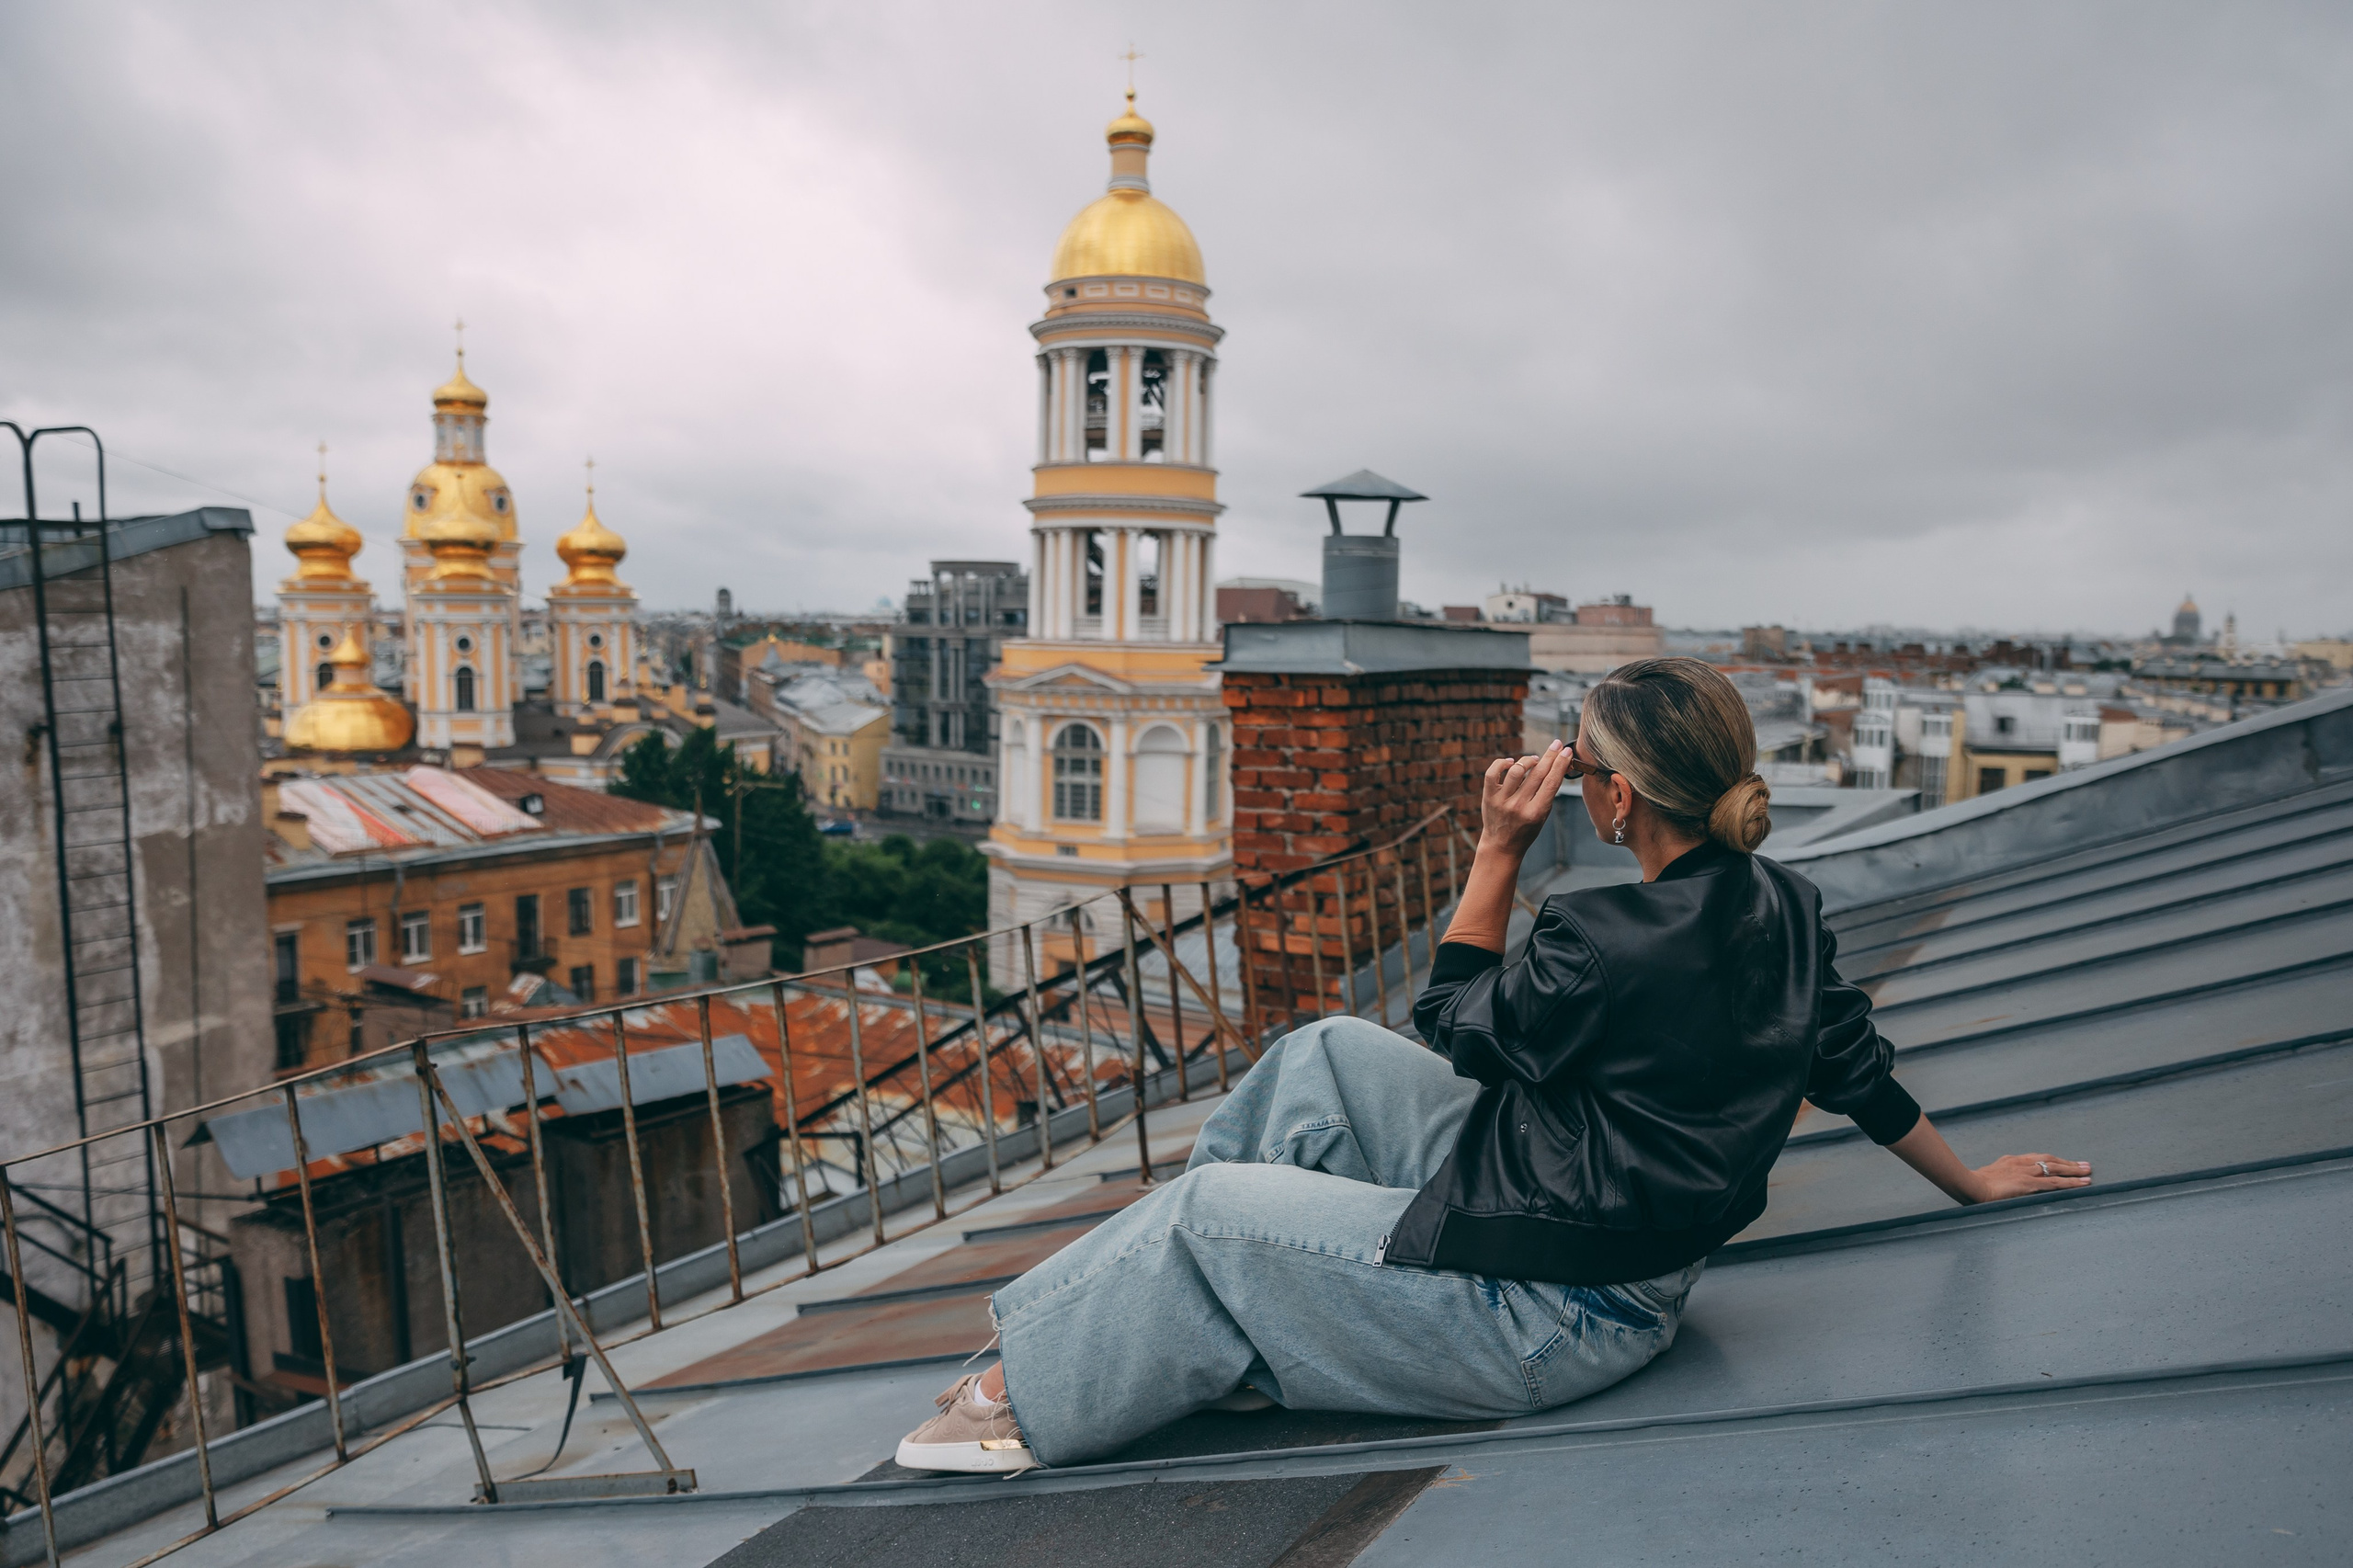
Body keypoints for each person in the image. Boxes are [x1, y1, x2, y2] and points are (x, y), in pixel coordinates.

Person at [895, 656, 2091, 1473]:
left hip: (1544, 1306)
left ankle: (1030, 1393)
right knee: (1320, 1057)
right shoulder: (1784, 905)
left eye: (1584, 771)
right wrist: (1969, 1179)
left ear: (1616, 800)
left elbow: (1457, 1015)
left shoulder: (1603, 935)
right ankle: (1187, 1321)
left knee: (1207, 1213)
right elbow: (1856, 1069)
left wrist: (1497, 848)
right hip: (1593, 1236)